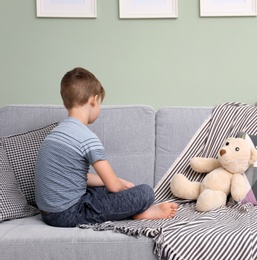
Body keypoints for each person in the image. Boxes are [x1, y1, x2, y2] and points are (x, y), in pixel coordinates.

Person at [34, 67, 178, 227]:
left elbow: (79, 177)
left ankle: (136, 211)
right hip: (68, 213)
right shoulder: (86, 137)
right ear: (94, 100)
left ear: (65, 102)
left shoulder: (54, 134)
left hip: (48, 214)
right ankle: (140, 212)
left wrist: (118, 181)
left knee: (102, 191)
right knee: (145, 192)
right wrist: (120, 184)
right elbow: (114, 186)